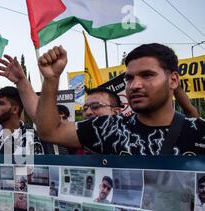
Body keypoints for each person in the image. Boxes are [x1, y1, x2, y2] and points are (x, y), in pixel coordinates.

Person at [35, 44, 205, 156]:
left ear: (173, 80)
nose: (135, 85)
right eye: (129, 78)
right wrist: (51, 79)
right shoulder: (108, 128)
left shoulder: (199, 132)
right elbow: (49, 131)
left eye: (147, 75)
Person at [0, 44, 46, 155]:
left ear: (15, 109)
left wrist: (21, 80)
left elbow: (32, 172)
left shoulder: (29, 139)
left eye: (0, 103)